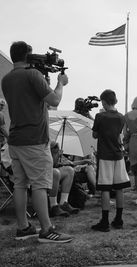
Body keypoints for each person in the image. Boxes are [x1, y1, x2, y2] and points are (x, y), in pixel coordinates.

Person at [1, 41, 72, 242]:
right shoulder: (33, 75)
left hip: (15, 140)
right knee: (41, 185)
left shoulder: (6, 80)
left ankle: (23, 228)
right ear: (28, 55)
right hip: (34, 140)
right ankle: (46, 230)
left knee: (20, 185)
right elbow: (54, 101)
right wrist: (60, 83)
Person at [91, 89, 131, 232]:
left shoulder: (100, 116)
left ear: (104, 101)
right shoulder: (121, 117)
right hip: (118, 155)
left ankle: (105, 221)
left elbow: (95, 135)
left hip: (105, 155)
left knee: (105, 188)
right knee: (119, 187)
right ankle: (119, 219)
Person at [49, 141, 80, 217]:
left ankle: (63, 203)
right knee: (55, 173)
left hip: (50, 171)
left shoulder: (51, 144)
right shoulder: (40, 145)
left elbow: (55, 164)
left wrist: (57, 155)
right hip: (39, 172)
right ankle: (53, 206)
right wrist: (55, 153)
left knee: (69, 170)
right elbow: (48, 165)